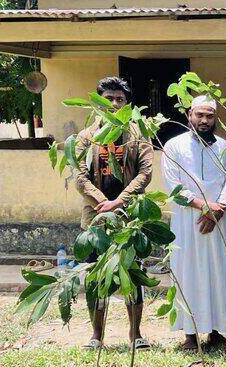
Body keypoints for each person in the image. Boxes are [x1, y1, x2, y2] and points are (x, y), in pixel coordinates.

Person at [74, 77, 153, 351]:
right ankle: (96, 336)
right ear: (98, 102)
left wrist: (120, 201)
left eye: (120, 99)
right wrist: (102, 202)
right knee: (96, 277)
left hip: (129, 218)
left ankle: (136, 334)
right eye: (109, 98)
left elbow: (145, 172)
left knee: (132, 274)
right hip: (96, 221)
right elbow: (80, 177)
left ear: (127, 104)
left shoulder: (137, 136)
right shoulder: (86, 138)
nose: (114, 103)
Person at [163, 95, 226, 352]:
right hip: (187, 222)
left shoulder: (225, 147)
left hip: (219, 220)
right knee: (188, 273)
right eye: (199, 115)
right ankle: (190, 335)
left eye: (209, 116)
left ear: (216, 119)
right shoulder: (173, 146)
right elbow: (174, 186)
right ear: (189, 116)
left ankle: (217, 332)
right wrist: (204, 206)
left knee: (220, 272)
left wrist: (218, 211)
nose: (204, 120)